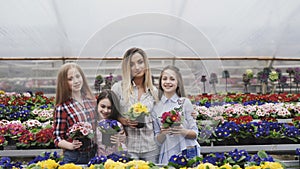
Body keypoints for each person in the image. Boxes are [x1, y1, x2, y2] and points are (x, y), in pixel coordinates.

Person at [111, 47, 159, 163]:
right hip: (127, 146)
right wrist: (122, 120)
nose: (137, 67)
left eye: (140, 62)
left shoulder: (154, 91)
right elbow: (110, 114)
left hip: (150, 147)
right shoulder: (118, 88)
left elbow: (158, 119)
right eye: (131, 64)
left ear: (146, 64)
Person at [152, 65, 201, 164]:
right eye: (164, 79)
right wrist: (163, 133)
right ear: (160, 82)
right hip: (168, 153)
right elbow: (157, 141)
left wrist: (182, 131)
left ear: (178, 83)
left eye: (172, 79)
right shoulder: (156, 108)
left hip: (187, 150)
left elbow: (195, 133)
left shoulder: (185, 102)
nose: (168, 82)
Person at [53, 62, 97, 164]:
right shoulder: (62, 107)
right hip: (75, 156)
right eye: (70, 79)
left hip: (94, 153)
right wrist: (70, 145)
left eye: (78, 76)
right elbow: (57, 137)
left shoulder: (91, 101)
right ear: (64, 83)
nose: (76, 81)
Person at [95, 89, 127, 156]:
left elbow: (124, 150)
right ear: (97, 104)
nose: (106, 110)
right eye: (103, 106)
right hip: (98, 161)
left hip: (114, 161)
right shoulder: (93, 123)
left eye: (109, 108)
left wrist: (118, 143)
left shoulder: (117, 125)